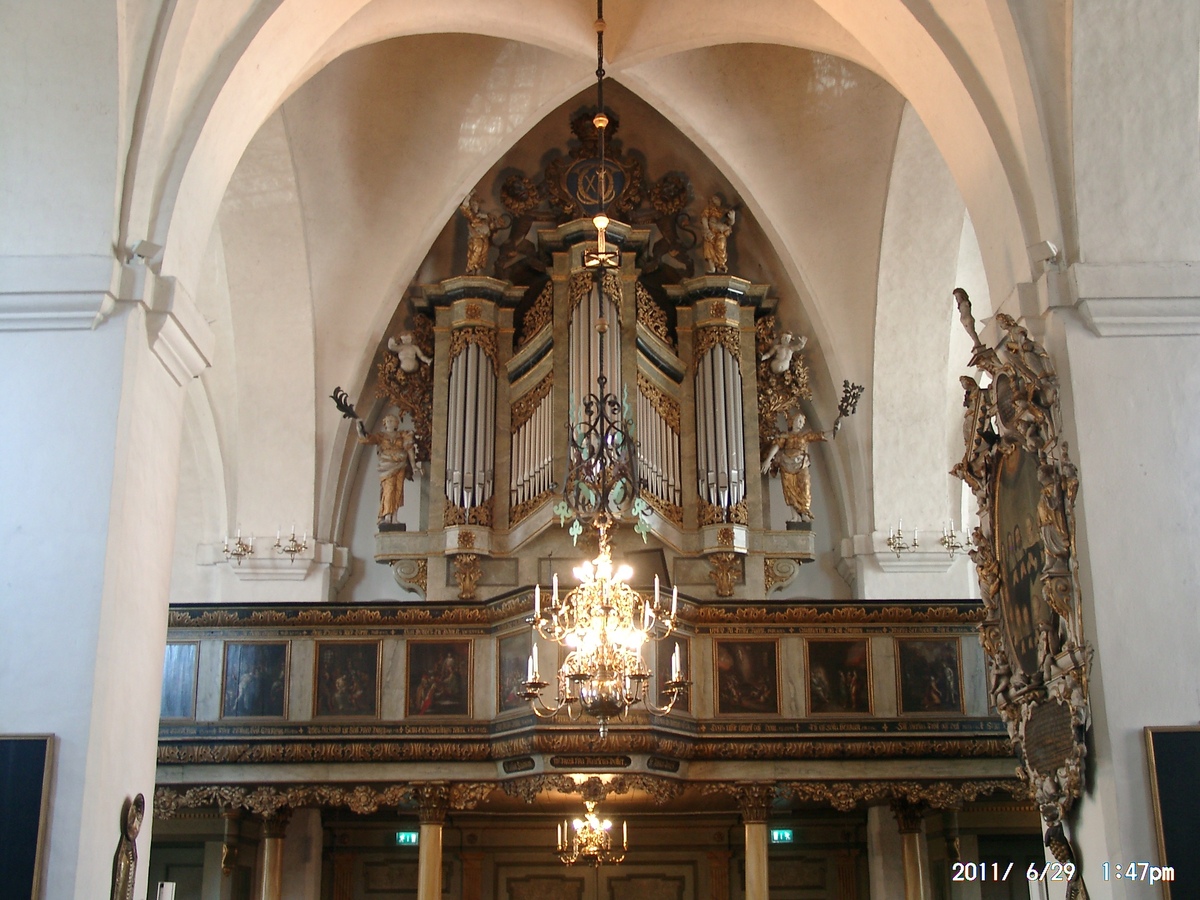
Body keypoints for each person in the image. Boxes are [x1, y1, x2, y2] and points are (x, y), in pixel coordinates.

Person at [760, 411, 836, 522]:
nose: (801, 424)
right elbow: (776, 446)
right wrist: (768, 460)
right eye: (799, 421)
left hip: (801, 464)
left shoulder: (805, 435)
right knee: (789, 489)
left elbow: (820, 435)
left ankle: (804, 512)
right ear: (792, 421)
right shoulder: (785, 435)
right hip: (786, 464)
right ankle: (795, 516)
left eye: (802, 422)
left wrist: (834, 430)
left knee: (804, 486)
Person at [357, 415, 421, 525]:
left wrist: (414, 466)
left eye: (392, 421)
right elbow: (368, 439)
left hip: (400, 465)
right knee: (389, 489)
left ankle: (394, 517)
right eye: (388, 421)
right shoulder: (381, 436)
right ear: (384, 423)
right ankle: (387, 516)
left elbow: (409, 449)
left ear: (396, 423)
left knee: (398, 490)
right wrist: (360, 430)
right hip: (387, 465)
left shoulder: (402, 435)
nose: (390, 422)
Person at [459, 190, 504, 275]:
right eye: (473, 204)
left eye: (477, 204)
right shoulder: (471, 216)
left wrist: (496, 221)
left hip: (485, 237)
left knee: (483, 254)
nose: (475, 206)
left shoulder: (484, 216)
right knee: (477, 251)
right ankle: (471, 269)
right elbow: (464, 207)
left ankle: (478, 269)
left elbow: (493, 225)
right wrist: (469, 194)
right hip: (476, 237)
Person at [699, 195, 736, 273]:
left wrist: (732, 219)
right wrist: (706, 229)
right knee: (709, 247)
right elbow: (704, 217)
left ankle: (720, 265)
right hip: (710, 232)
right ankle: (712, 267)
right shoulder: (709, 209)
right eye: (712, 199)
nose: (714, 200)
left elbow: (729, 223)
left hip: (720, 232)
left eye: (716, 198)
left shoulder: (723, 210)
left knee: (720, 246)